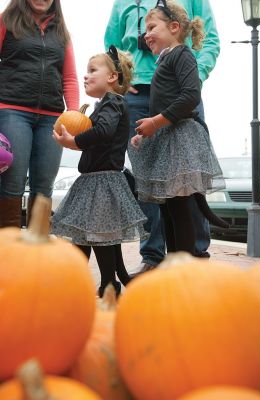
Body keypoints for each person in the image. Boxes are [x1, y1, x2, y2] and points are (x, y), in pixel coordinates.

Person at [104, 0, 220, 273]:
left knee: (185, 185)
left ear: (174, 27)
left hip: (180, 100)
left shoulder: (182, 47)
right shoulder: (123, 4)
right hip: (139, 95)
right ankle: (155, 259)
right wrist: (122, 78)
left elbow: (211, 41)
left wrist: (193, 75)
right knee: (153, 185)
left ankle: (193, 258)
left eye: (152, 27)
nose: (146, 33)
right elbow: (111, 43)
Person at [51, 46, 147, 297]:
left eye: (92, 70)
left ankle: (104, 283)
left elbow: (103, 131)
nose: (85, 76)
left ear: (112, 77)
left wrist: (74, 142)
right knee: (90, 235)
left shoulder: (113, 102)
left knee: (98, 236)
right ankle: (99, 281)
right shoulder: (104, 104)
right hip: (95, 179)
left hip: (103, 181)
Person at [0, 0, 79, 228]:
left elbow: (70, 79)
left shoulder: (62, 32)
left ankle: (38, 254)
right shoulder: (7, 21)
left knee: (44, 187)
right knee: (12, 184)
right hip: (12, 112)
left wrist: (73, 114)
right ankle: (8, 252)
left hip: (52, 118)